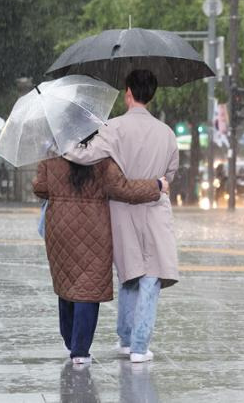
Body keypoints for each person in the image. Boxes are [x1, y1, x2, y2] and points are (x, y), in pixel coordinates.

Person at [64, 69, 179, 363]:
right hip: (154, 209)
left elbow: (86, 155)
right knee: (151, 278)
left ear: (128, 93)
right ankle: (140, 346)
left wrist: (61, 143)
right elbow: (170, 175)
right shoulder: (166, 133)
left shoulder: (113, 127)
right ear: (151, 95)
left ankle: (127, 339)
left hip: (122, 210)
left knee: (130, 274)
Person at [33, 157, 165, 364]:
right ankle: (79, 351)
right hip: (94, 229)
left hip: (59, 226)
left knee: (66, 281)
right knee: (88, 288)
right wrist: (156, 185)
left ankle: (71, 342)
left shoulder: (51, 161)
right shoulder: (103, 163)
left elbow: (40, 188)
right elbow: (123, 189)